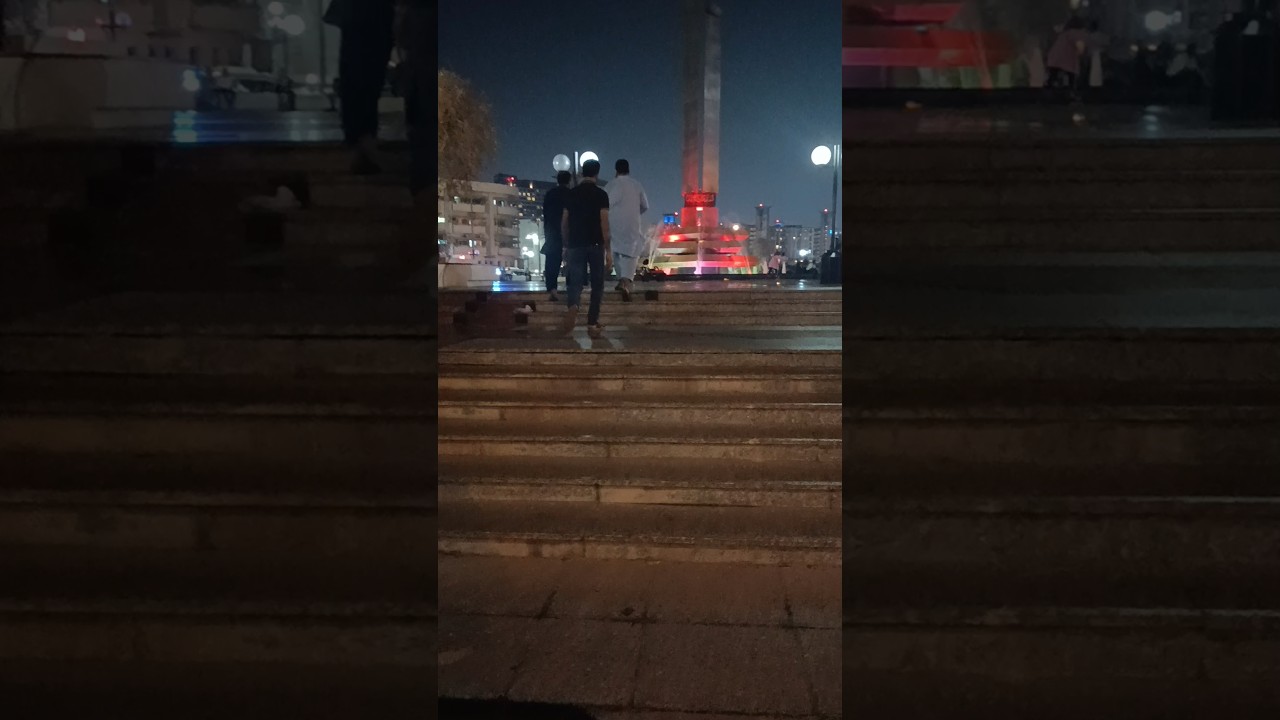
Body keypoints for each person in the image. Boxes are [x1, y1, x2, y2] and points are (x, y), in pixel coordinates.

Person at [323, 0, 396, 175]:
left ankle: (361, 141)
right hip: (372, 26)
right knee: (365, 88)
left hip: (364, 26)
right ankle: (364, 141)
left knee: (359, 87)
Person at [560, 159, 611, 338]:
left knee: (575, 281)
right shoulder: (601, 195)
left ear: (582, 173)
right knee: (597, 284)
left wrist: (566, 243)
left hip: (575, 243)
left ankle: (573, 305)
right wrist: (608, 250)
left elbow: (564, 222)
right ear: (597, 173)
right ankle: (592, 323)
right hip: (596, 244)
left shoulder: (571, 194)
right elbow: (604, 222)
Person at [605, 158, 649, 302]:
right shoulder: (636, 185)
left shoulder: (610, 185)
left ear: (616, 171)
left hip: (614, 224)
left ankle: (621, 280)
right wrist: (635, 212)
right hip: (632, 224)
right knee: (631, 253)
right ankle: (626, 281)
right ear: (628, 170)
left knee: (616, 252)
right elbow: (645, 205)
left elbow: (604, 205)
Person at [541, 171, 572, 301]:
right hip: (569, 232)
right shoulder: (571, 194)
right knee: (571, 262)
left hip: (552, 232)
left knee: (552, 262)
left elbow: (545, 213)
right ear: (569, 181)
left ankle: (552, 289)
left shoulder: (550, 194)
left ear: (557, 180)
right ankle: (571, 288)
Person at [1046, 17, 1088, 101]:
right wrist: (1079, 55)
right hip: (1067, 59)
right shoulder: (1077, 33)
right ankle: (1071, 94)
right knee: (1071, 77)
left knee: (1053, 77)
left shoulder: (1065, 33)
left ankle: (1048, 95)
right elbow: (1080, 48)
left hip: (1053, 58)